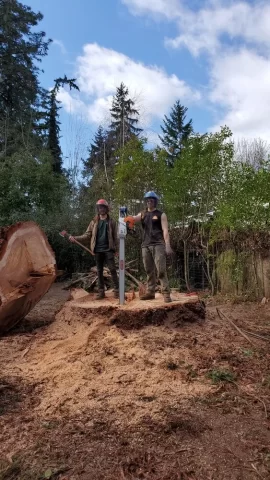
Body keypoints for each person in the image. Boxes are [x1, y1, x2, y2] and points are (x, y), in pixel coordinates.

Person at [125, 191, 173, 303]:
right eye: (147, 200)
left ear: (155, 201)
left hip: (158, 245)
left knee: (161, 270)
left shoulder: (161, 214)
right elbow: (133, 219)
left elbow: (165, 230)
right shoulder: (142, 214)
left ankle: (166, 293)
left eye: (151, 199)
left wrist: (167, 245)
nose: (149, 201)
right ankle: (150, 292)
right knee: (148, 270)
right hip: (145, 245)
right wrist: (126, 218)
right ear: (145, 201)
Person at [69, 199, 119, 300]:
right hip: (97, 250)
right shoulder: (94, 221)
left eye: (103, 207)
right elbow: (87, 235)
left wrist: (117, 250)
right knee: (99, 271)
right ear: (98, 209)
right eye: (100, 207)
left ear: (106, 209)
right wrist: (76, 238)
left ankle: (117, 291)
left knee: (113, 269)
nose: (101, 209)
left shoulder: (112, 222)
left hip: (108, 249)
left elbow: (116, 237)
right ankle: (101, 293)